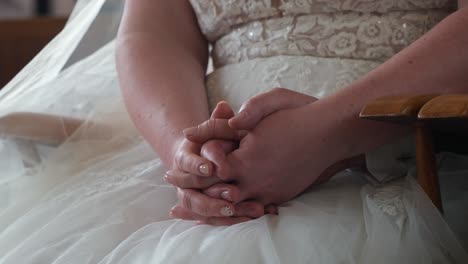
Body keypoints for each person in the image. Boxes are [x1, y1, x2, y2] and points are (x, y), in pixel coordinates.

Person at [0, 0, 468, 263]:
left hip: (413, 149)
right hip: (210, 164)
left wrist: (326, 134)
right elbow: (153, 32)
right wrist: (189, 153)